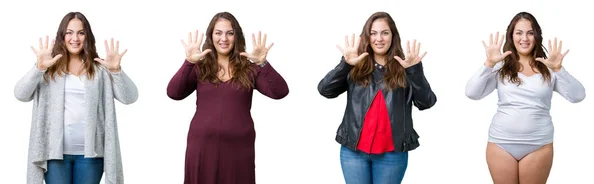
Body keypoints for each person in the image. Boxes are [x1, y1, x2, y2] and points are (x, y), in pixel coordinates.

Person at [14, 12, 138, 184]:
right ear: (62, 36)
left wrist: (116, 71)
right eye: (69, 32)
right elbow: (20, 94)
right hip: (55, 155)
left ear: (87, 36)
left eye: (81, 32)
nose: (75, 38)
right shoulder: (49, 68)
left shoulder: (99, 69)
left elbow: (130, 97)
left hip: (91, 155)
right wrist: (38, 68)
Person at [166, 12, 289, 184]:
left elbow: (280, 92)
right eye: (218, 33)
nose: (224, 38)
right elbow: (174, 93)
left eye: (229, 33)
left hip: (238, 152)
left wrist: (262, 63)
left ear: (236, 36)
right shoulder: (200, 67)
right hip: (202, 149)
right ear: (211, 36)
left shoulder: (249, 69)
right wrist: (189, 62)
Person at [465, 11, 586, 184]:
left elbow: (578, 96)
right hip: (501, 144)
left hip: (538, 145)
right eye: (519, 33)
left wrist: (559, 69)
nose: (525, 38)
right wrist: (489, 64)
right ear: (511, 36)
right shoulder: (501, 66)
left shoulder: (549, 67)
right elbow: (472, 93)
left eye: (530, 33)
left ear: (536, 36)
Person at [317, 11, 437, 184]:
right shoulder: (355, 64)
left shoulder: (405, 66)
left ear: (393, 36)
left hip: (392, 154)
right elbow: (325, 90)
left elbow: (426, 102)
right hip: (353, 153)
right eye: (373, 33)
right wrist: (345, 65)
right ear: (367, 36)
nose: (379, 39)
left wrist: (414, 70)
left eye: (384, 33)